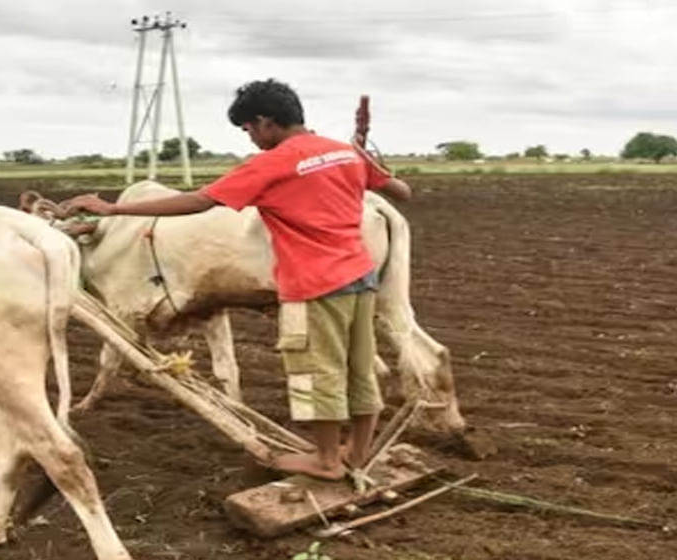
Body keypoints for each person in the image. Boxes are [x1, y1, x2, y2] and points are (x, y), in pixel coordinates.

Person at [58, 78, 412, 482]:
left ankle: (328, 461)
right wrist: (366, 156)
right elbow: (402, 192)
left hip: (314, 285)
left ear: (265, 121)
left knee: (320, 373)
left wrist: (112, 209)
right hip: (360, 276)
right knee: (359, 368)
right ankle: (358, 453)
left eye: (248, 129)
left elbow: (199, 201)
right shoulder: (341, 151)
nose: (251, 139)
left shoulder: (272, 163)